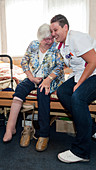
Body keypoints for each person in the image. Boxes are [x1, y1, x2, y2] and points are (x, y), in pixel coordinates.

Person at [50, 14, 96, 163]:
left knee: (78, 98)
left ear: (65, 27)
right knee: (63, 92)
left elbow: (93, 61)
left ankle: (81, 151)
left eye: (55, 30)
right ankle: (93, 129)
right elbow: (71, 64)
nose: (53, 34)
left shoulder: (76, 38)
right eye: (51, 31)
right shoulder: (61, 46)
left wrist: (79, 84)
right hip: (83, 73)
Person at [3, 23, 64, 151]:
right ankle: (10, 128)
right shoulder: (33, 45)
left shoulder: (56, 47)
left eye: (51, 38)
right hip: (34, 77)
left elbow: (59, 66)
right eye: (46, 39)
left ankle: (44, 134)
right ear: (39, 39)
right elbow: (24, 62)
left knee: (42, 92)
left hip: (50, 79)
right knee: (20, 89)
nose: (49, 41)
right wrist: (31, 78)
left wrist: (47, 80)